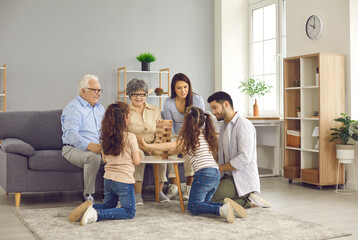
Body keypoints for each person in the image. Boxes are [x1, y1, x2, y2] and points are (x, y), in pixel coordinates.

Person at [139, 107, 246, 223]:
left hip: (204, 175)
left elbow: (172, 145)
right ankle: (228, 207)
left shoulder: (189, 137)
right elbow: (176, 150)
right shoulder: (204, 136)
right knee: (202, 205)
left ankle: (221, 209)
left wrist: (147, 145)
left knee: (193, 207)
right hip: (215, 174)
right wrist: (162, 153)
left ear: (187, 121)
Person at [69, 102, 142, 226]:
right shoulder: (130, 137)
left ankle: (87, 208)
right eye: (129, 116)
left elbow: (105, 159)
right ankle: (97, 214)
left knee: (109, 205)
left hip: (108, 179)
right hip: (124, 181)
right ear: (124, 118)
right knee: (129, 211)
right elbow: (136, 161)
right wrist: (139, 152)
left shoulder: (105, 137)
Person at [207, 91, 271, 208]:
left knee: (210, 198)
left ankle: (247, 201)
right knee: (202, 194)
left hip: (241, 180)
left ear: (226, 104)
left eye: (215, 108)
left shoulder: (243, 125)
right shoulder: (224, 126)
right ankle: (239, 199)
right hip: (227, 177)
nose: (213, 112)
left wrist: (219, 168)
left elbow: (244, 158)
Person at [61, 74, 105, 202]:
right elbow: (70, 134)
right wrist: (90, 146)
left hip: (98, 147)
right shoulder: (74, 108)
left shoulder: (100, 108)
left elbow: (105, 131)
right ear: (83, 91)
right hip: (72, 149)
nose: (98, 94)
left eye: (99, 90)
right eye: (94, 90)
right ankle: (88, 195)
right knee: (93, 157)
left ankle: (112, 193)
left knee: (119, 154)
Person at [126, 78, 170, 205]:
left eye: (142, 94)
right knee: (138, 155)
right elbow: (125, 133)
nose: (139, 97)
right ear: (130, 95)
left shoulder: (155, 110)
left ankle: (159, 192)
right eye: (135, 94)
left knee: (162, 154)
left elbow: (161, 131)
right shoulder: (125, 110)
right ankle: (137, 194)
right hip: (135, 145)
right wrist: (145, 148)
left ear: (146, 95)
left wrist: (155, 145)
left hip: (153, 143)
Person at [163, 73, 205, 200]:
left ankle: (189, 185)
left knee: (189, 148)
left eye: (185, 87)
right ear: (174, 89)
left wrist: (187, 137)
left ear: (189, 86)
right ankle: (174, 185)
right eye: (179, 88)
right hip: (176, 134)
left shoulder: (197, 99)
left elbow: (201, 122)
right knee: (170, 151)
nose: (183, 91)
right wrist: (176, 139)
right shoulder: (168, 102)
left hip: (193, 132)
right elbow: (169, 125)